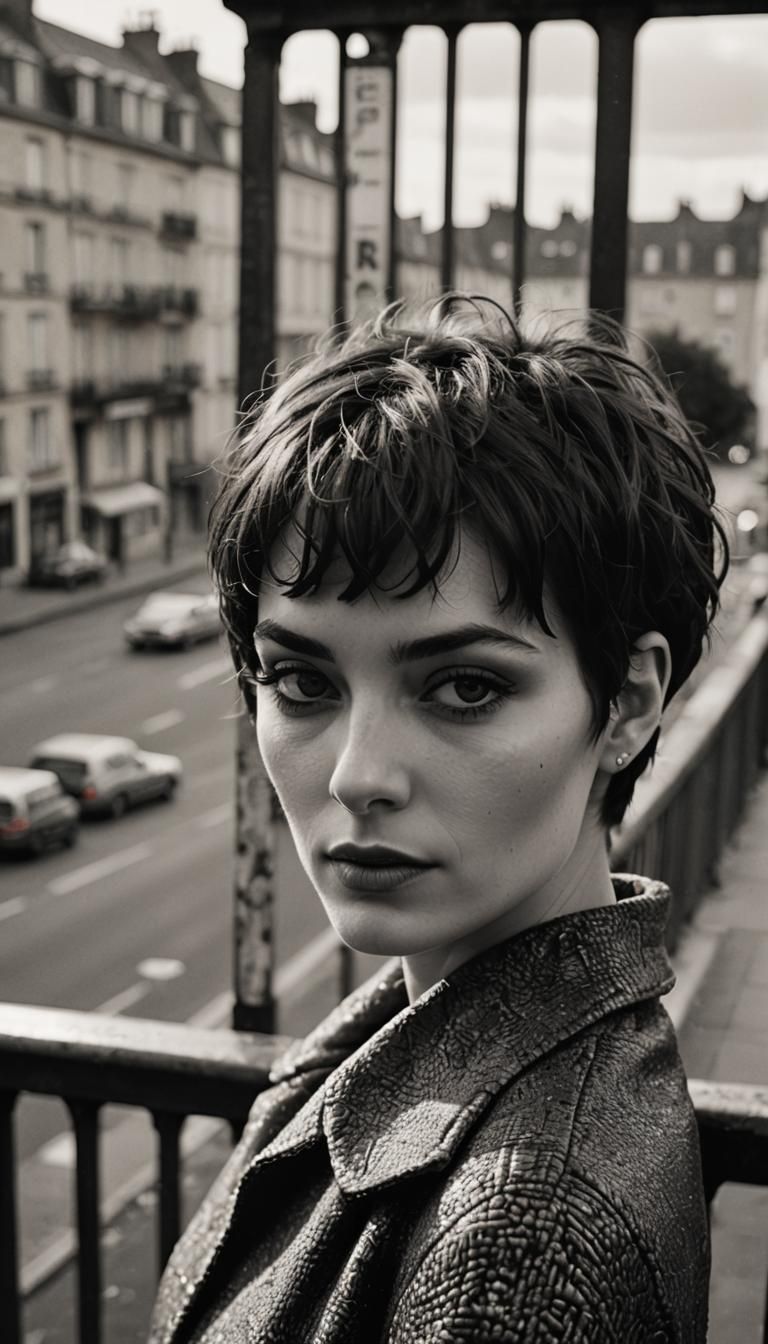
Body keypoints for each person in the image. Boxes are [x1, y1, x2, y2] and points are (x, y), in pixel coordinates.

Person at [149, 295, 727, 1343]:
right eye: (301, 680)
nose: (360, 776)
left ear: (629, 705)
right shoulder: (444, 1042)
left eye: (464, 688)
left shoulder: (516, 1240)